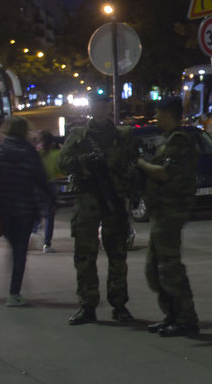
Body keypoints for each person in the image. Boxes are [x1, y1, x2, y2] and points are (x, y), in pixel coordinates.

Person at [59, 96, 137, 325]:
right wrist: (85, 161)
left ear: (109, 109)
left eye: (103, 106)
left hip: (113, 198)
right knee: (85, 254)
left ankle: (119, 304)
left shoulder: (122, 136)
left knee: (117, 254)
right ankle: (87, 304)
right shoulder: (79, 135)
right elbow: (63, 163)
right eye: (95, 107)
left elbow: (134, 164)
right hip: (88, 198)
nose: (99, 110)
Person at [135, 97, 201, 337]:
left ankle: (186, 319)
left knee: (169, 268)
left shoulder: (179, 141)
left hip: (171, 211)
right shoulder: (168, 140)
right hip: (161, 211)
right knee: (154, 269)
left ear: (168, 114)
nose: (156, 117)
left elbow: (164, 174)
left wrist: (140, 163)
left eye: (159, 113)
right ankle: (171, 314)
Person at [0, 116, 54, 307]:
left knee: (14, 247)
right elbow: (42, 180)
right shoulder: (29, 153)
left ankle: (14, 285)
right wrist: (52, 199)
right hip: (24, 209)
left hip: (3, 209)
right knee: (20, 251)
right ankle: (14, 291)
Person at [36, 131, 60, 253]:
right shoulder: (56, 154)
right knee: (49, 216)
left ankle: (33, 237)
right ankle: (47, 243)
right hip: (50, 185)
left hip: (35, 186)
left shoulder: (35, 154)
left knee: (35, 213)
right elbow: (60, 170)